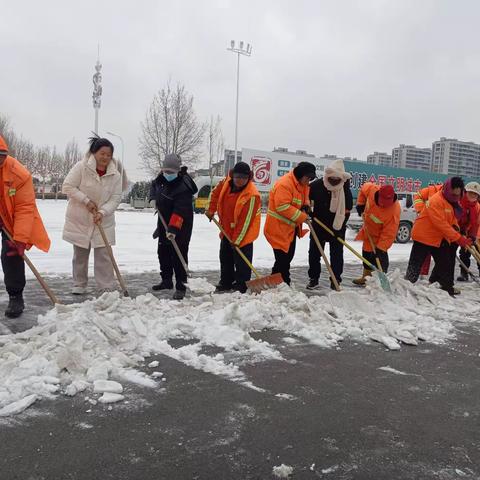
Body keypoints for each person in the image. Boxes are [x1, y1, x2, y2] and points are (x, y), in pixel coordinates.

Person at [62, 137, 122, 294]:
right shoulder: (81, 167)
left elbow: (115, 199)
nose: (105, 158)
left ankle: (106, 285)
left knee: (104, 254)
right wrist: (86, 201)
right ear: (94, 152)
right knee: (80, 253)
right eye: (102, 153)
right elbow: (67, 186)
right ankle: (79, 283)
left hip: (103, 220)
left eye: (108, 155)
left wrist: (103, 212)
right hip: (80, 218)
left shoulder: (115, 175)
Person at [0, 134, 50, 318]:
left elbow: (24, 208)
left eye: (1, 157)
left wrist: (20, 240)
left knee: (10, 253)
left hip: (11, 217)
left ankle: (15, 296)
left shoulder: (18, 174)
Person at [405, 177, 470, 296]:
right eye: (453, 194)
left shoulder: (452, 202)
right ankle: (405, 288)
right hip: (423, 236)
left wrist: (456, 228)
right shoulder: (436, 200)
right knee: (415, 265)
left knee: (446, 263)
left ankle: (447, 287)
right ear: (447, 190)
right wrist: (458, 238)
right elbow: (441, 224)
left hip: (438, 237)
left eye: (458, 195)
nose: (455, 197)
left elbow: (451, 219)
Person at [206, 162, 261, 293]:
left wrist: (237, 240)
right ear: (233, 175)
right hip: (226, 229)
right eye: (237, 177)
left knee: (242, 261)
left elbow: (246, 222)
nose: (240, 180)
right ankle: (226, 282)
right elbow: (214, 195)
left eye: (243, 177)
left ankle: (241, 285)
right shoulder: (226, 182)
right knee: (225, 257)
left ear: (248, 178)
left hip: (245, 233)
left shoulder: (252, 195)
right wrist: (210, 209)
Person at [150, 154, 197, 300]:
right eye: (166, 171)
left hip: (181, 224)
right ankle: (166, 281)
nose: (168, 174)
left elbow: (180, 210)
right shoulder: (161, 178)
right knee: (163, 251)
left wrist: (173, 229)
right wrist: (153, 198)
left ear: (178, 171)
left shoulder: (183, 186)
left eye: (171, 172)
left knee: (178, 254)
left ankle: (181, 287)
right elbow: (154, 186)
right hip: (163, 220)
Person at [264, 162, 316, 285]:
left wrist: (306, 206)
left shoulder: (302, 185)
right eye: (308, 177)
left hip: (289, 229)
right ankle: (283, 282)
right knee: (282, 259)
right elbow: (282, 206)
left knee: (287, 258)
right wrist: (302, 216)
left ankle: (276, 282)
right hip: (277, 229)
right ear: (300, 174)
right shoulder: (285, 184)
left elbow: (304, 198)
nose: (309, 181)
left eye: (311, 178)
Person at [307, 159, 352, 290]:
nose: (334, 181)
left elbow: (347, 209)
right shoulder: (316, 185)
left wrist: (340, 227)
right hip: (318, 224)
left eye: (337, 180)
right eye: (331, 178)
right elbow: (306, 199)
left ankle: (335, 279)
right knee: (314, 253)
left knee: (337, 254)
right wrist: (308, 210)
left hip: (337, 226)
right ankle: (313, 278)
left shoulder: (344, 186)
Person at [352, 183, 401, 285]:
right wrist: (361, 203)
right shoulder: (372, 189)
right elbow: (363, 189)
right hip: (368, 231)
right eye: (382, 202)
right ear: (378, 195)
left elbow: (389, 233)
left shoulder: (394, 211)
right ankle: (366, 278)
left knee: (380, 259)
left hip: (380, 237)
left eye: (387, 203)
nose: (383, 205)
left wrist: (381, 248)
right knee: (366, 256)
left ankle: (380, 281)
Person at [412, 183, 443, 277]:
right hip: (424, 227)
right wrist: (421, 210)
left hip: (438, 229)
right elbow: (417, 196)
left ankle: (433, 277)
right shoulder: (431, 190)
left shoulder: (450, 197)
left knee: (440, 257)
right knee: (422, 252)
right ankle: (418, 275)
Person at [457, 181, 480, 281]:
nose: (473, 195)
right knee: (464, 252)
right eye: (471, 192)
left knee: (478, 252)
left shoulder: (477, 206)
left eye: (475, 194)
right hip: (461, 231)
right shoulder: (458, 202)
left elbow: (475, 223)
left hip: (474, 232)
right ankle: (464, 273)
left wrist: (472, 236)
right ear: (465, 192)